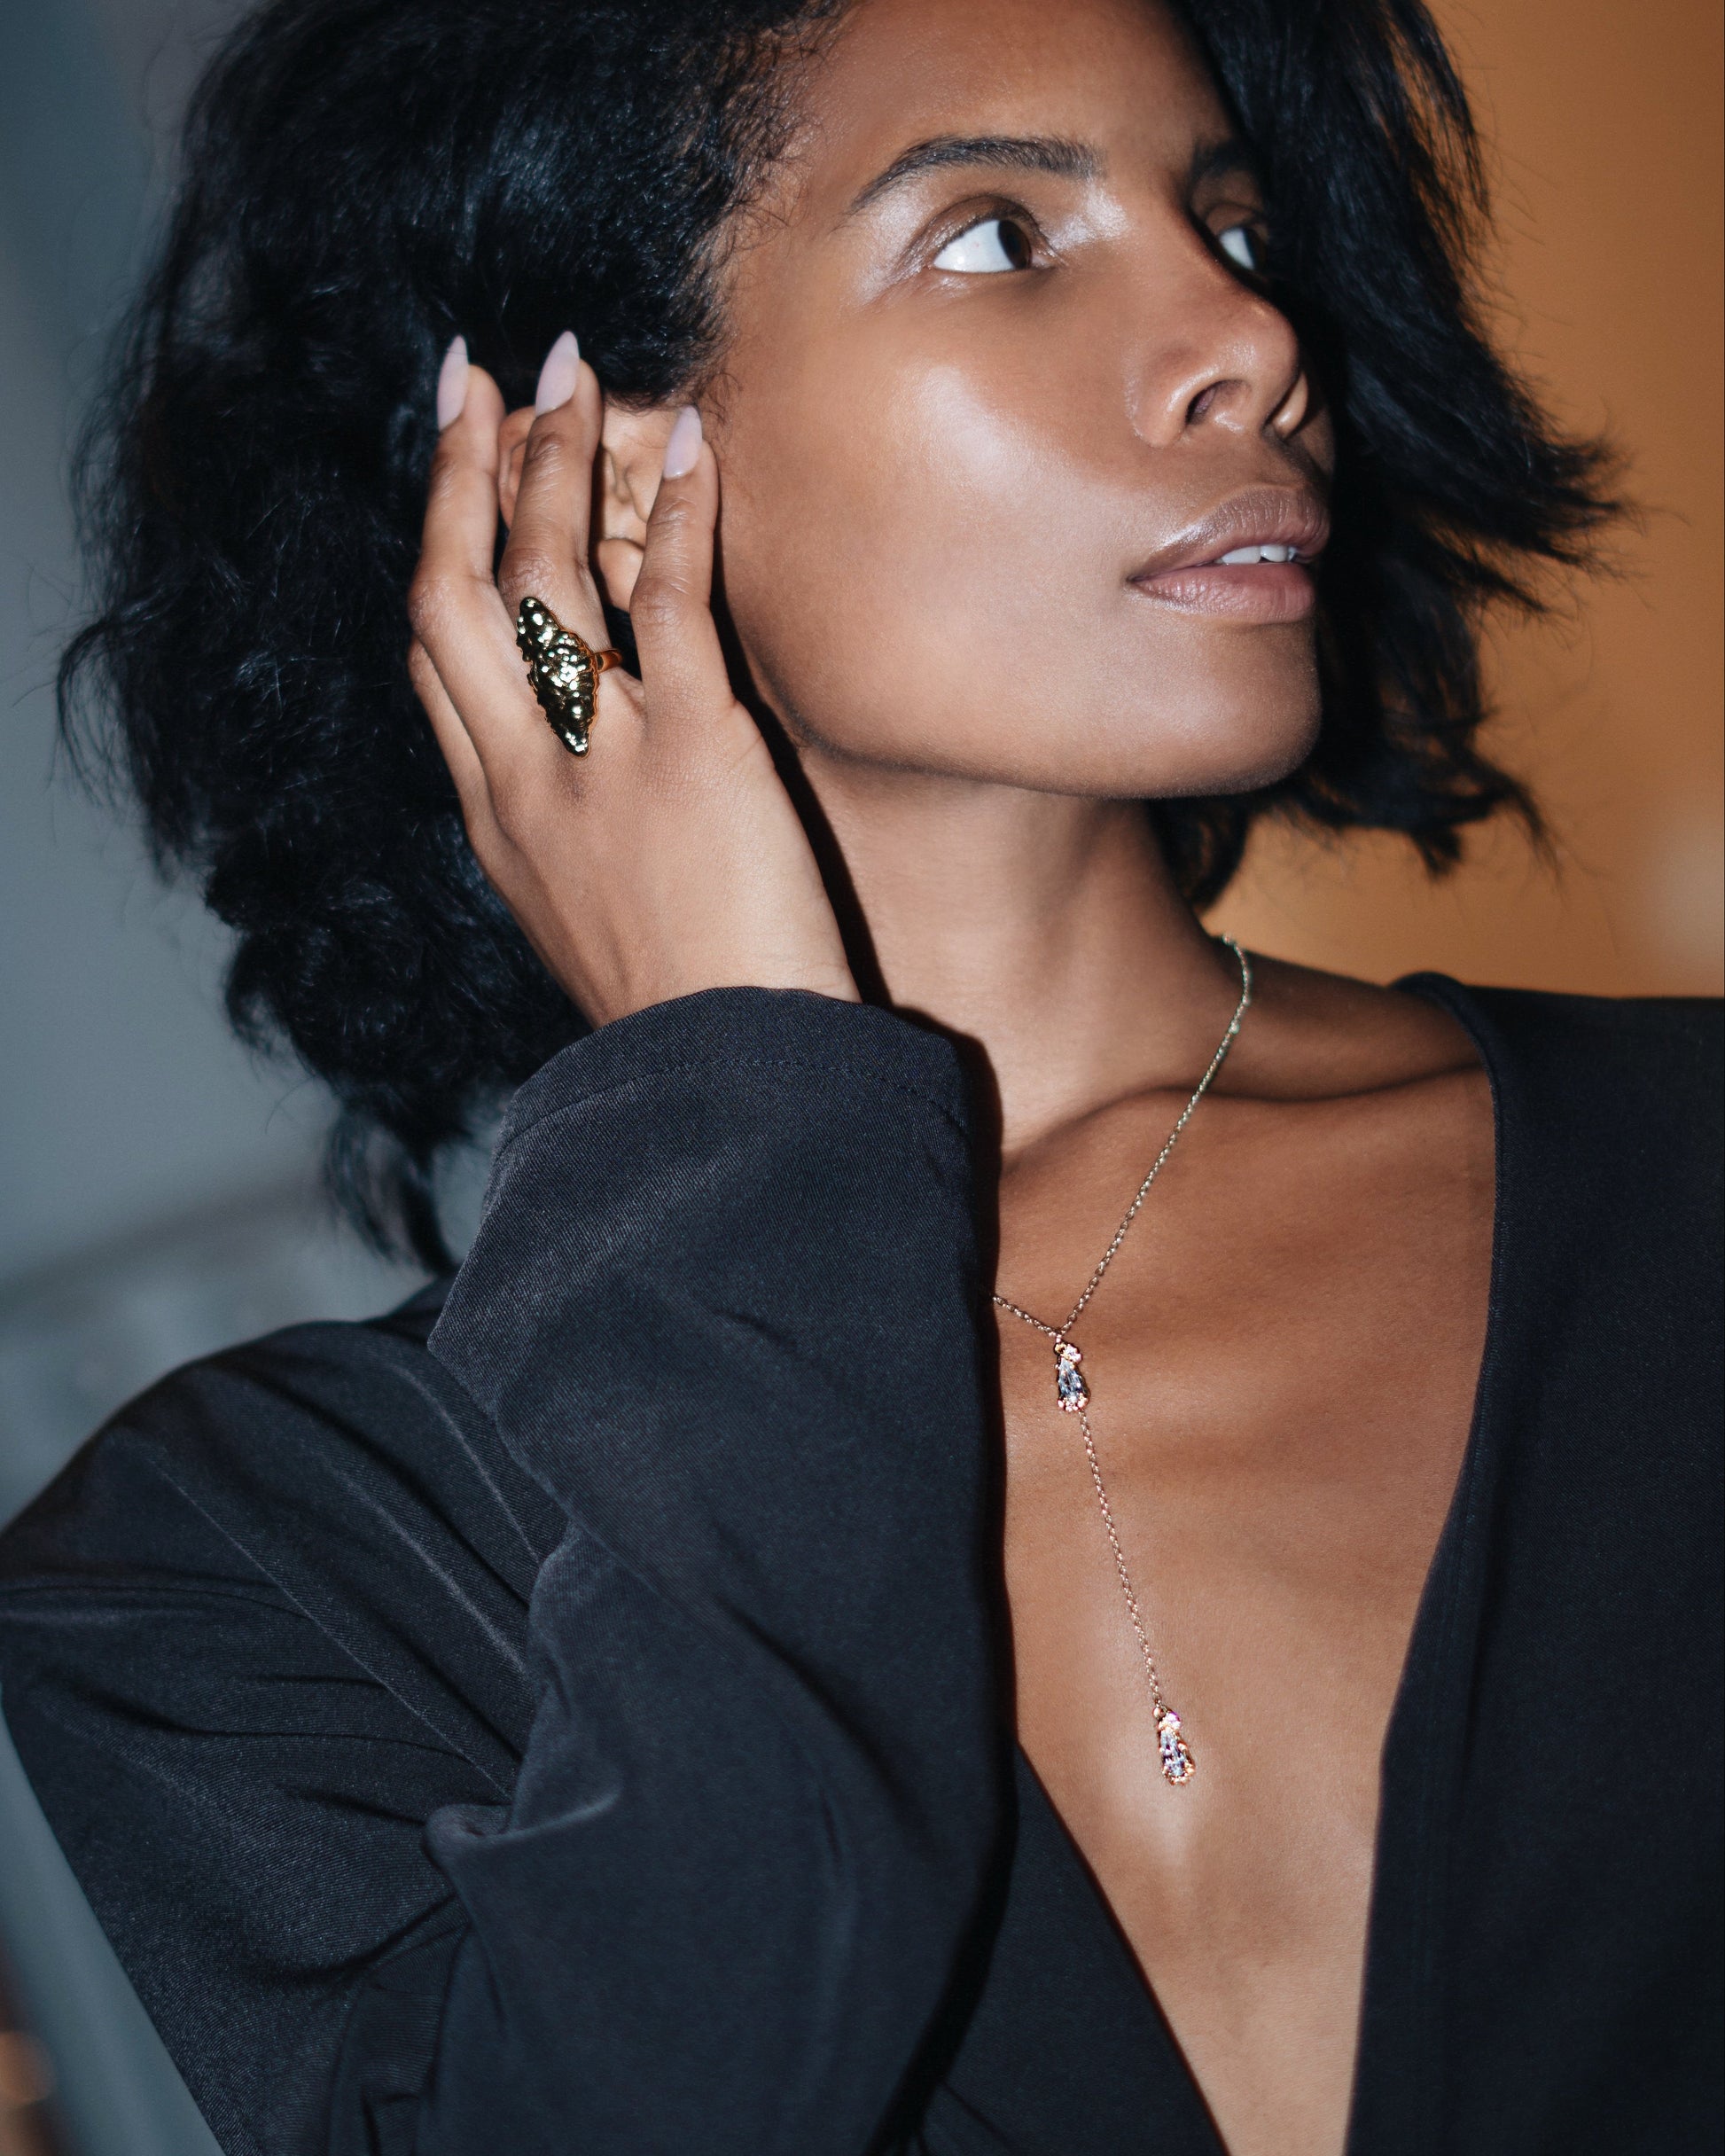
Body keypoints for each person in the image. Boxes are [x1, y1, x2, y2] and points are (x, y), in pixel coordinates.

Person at [0, 0, 1717, 2149]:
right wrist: (735, 1082)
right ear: (563, 467)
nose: (1247, 343)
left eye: (1243, 228)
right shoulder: (232, 1566)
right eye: (998, 235)